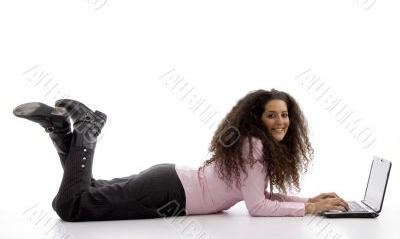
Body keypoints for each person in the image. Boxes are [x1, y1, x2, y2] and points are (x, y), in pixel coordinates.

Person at [13, 89, 349, 222]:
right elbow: (258, 208)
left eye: (285, 115)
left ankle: (59, 129)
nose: (281, 122)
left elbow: (256, 193)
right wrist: (309, 209)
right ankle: (84, 133)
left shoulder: (252, 144)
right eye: (272, 115)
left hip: (169, 182)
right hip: (168, 193)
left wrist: (307, 199)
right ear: (257, 118)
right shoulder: (257, 147)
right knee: (71, 207)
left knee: (91, 188)